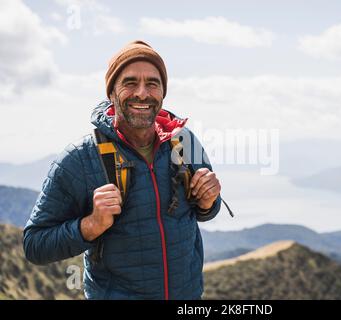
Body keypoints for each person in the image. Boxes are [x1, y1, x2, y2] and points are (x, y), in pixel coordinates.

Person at [23, 40, 222, 300]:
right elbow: (35, 245)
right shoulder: (79, 159)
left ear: (162, 92)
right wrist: (91, 225)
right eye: (130, 83)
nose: (142, 93)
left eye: (152, 83)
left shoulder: (184, 141)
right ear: (111, 92)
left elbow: (204, 210)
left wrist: (209, 202)